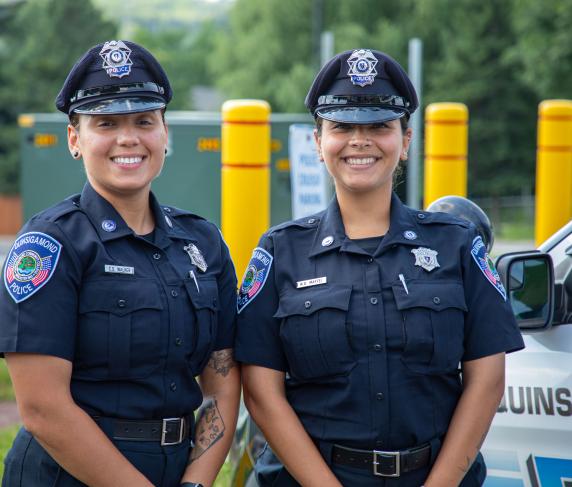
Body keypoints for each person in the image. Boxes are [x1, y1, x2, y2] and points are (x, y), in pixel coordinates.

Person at [234, 48, 525, 486]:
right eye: (343, 127)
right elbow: (261, 393)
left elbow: (486, 380)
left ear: (405, 141)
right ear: (318, 142)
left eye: (378, 126)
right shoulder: (280, 251)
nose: (360, 140)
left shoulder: (457, 244)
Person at [0, 40, 239, 487]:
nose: (128, 138)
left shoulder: (203, 243)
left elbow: (222, 385)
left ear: (165, 134)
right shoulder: (50, 245)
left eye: (144, 121)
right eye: (106, 123)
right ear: (75, 138)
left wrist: (196, 483)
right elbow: (41, 408)